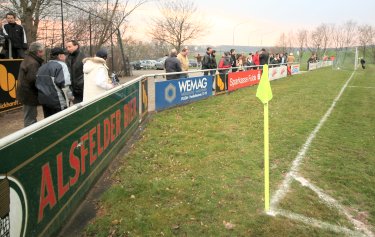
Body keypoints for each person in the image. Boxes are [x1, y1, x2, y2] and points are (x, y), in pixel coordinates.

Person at [36, 47, 73, 118]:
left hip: (44, 101)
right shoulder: (62, 65)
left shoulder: (42, 67)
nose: (65, 56)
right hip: (58, 101)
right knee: (61, 123)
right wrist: (70, 96)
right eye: (64, 54)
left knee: (49, 123)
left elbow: (37, 83)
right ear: (60, 56)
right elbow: (65, 84)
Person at [16, 42, 45, 127]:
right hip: (29, 94)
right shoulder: (33, 63)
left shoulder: (29, 59)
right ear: (39, 52)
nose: (43, 53)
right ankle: (30, 136)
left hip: (26, 93)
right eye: (43, 51)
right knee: (30, 118)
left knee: (30, 116)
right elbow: (33, 80)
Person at [66, 39, 85, 104]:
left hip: (82, 88)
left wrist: (81, 83)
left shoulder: (83, 57)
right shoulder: (68, 58)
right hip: (73, 89)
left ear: (76, 46)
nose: (68, 49)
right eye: (67, 47)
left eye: (69, 47)